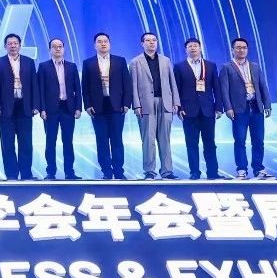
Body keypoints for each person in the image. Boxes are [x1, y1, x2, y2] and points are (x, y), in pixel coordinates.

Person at [219, 37, 275, 179]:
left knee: (258, 140)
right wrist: (228, 108)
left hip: (256, 107)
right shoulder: (227, 67)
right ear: (232, 50)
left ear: (247, 50)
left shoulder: (255, 66)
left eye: (244, 47)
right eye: (238, 47)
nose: (241, 50)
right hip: (238, 109)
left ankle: (259, 169)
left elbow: (263, 86)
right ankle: (241, 170)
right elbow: (224, 90)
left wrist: (267, 104)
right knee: (240, 140)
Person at [128, 32, 180, 180]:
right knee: (148, 140)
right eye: (148, 40)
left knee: (165, 139)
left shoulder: (165, 60)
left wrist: (176, 102)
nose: (152, 42)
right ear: (142, 44)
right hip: (145, 104)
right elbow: (133, 86)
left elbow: (172, 82)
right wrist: (136, 105)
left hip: (165, 102)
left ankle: (167, 171)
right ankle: (149, 171)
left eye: (154, 40)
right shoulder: (135, 62)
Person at [81, 33, 131, 180]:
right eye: (99, 41)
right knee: (101, 140)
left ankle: (119, 171)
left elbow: (127, 84)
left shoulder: (120, 61)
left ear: (109, 44)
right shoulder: (88, 63)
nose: (103, 44)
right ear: (94, 45)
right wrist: (87, 105)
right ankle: (106, 172)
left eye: (105, 41)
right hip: (97, 107)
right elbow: (85, 87)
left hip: (117, 106)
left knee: (117, 140)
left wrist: (126, 103)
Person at [174, 37, 222, 180]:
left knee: (210, 143)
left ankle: (213, 172)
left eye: (195, 45)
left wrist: (219, 107)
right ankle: (194, 172)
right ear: (186, 50)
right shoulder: (179, 67)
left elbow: (217, 88)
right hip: (188, 111)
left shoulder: (210, 65)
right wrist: (179, 108)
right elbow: (176, 89)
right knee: (191, 144)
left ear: (200, 48)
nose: (193, 48)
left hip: (208, 110)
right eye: (190, 46)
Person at [0, 33, 38, 180]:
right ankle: (11, 175)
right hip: (6, 109)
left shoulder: (29, 62)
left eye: (15, 43)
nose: (12, 46)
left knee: (26, 143)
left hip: (25, 107)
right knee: (7, 143)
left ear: (20, 45)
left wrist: (35, 105)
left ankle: (26, 174)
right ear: (5, 46)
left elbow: (34, 84)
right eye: (10, 44)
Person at [35, 39, 81, 181]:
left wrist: (78, 107)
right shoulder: (43, 66)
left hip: (68, 108)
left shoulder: (72, 66)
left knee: (68, 141)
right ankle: (51, 172)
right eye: (54, 47)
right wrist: (42, 109)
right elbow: (40, 89)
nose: (58, 49)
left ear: (64, 49)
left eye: (60, 46)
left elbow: (77, 89)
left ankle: (69, 172)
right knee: (50, 141)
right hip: (50, 110)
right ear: (50, 50)